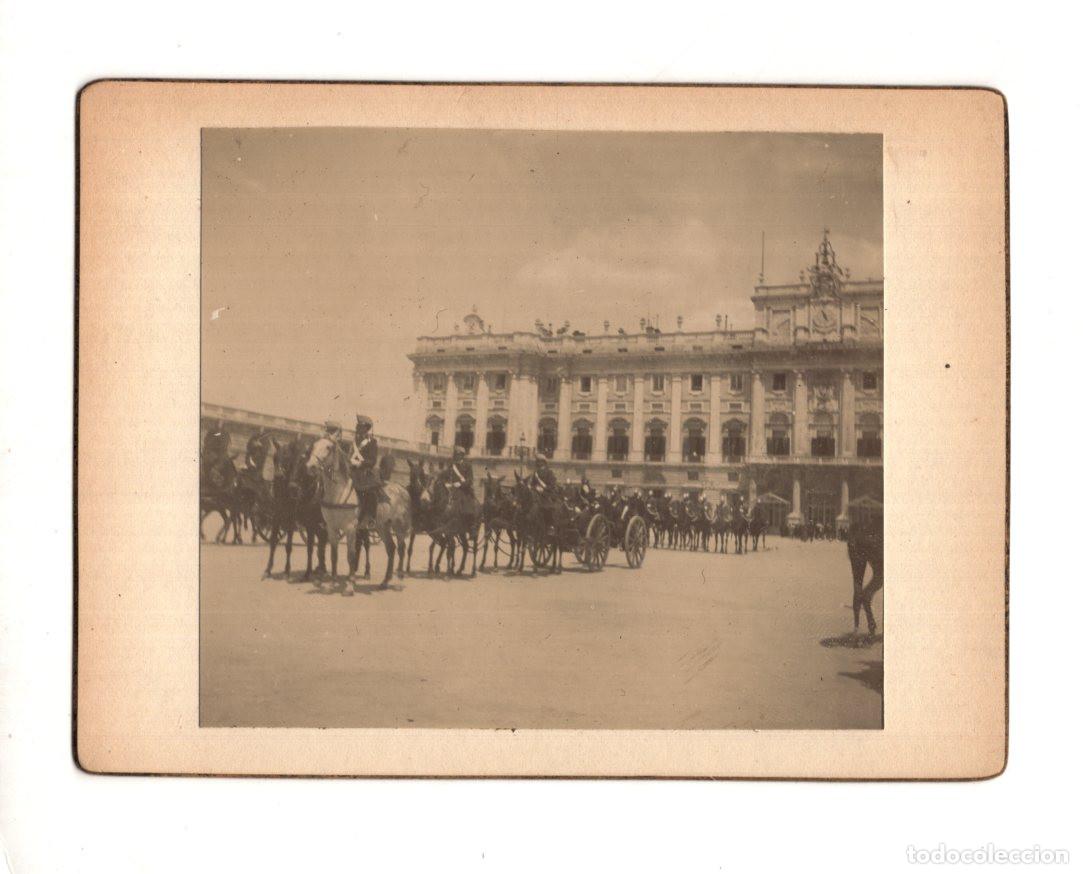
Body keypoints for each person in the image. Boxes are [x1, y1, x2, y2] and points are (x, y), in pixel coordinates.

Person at [349, 414, 380, 526]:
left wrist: (359, 464)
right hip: (351, 471)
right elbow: (350, 455)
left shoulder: (372, 442)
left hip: (364, 473)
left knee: (369, 492)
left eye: (359, 425)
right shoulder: (354, 441)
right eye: (357, 425)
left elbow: (372, 460)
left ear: (366, 428)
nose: (357, 427)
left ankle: (371, 517)